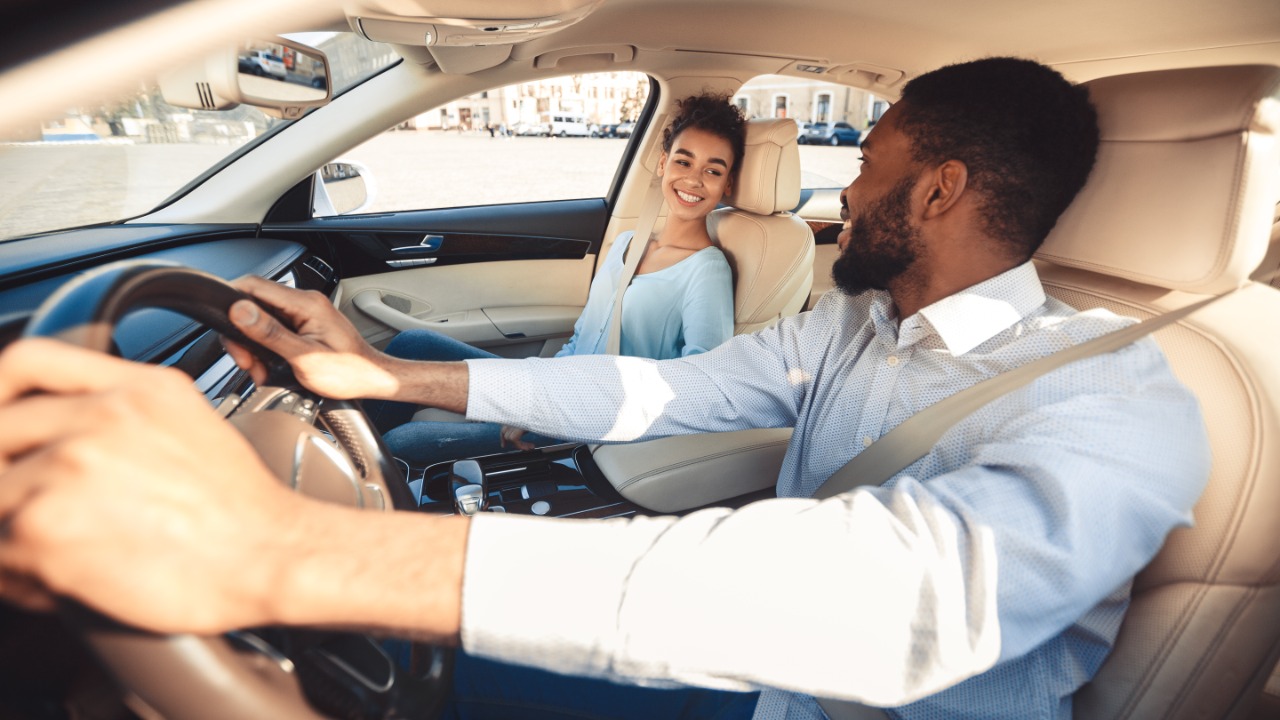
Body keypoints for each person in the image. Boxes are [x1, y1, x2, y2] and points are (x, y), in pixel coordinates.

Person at [0, 57, 1211, 720]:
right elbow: (653, 395)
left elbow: (907, 598)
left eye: (871, 164)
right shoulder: (853, 326)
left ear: (938, 193)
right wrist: (383, 372)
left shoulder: (1117, 402)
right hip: (756, 689)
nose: (843, 190)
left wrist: (279, 547)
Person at [367, 93, 741, 466]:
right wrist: (531, 389)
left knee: (403, 442)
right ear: (663, 163)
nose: (693, 179)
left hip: (596, 420)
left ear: (727, 185)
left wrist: (538, 413)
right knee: (414, 343)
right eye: (683, 160)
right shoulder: (629, 242)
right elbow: (583, 337)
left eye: (713, 170)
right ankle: (339, 441)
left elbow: (699, 390)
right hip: (554, 385)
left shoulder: (707, 271)